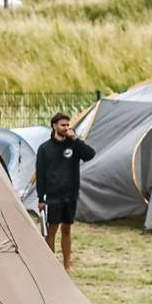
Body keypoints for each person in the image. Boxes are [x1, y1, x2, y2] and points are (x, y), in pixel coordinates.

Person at [34, 111, 97, 271]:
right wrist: (41, 198)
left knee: (67, 229)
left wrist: (76, 139)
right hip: (53, 196)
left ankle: (67, 264)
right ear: (55, 126)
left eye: (68, 125)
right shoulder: (45, 149)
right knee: (52, 229)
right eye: (63, 125)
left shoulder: (74, 145)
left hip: (71, 195)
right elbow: (40, 175)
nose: (66, 128)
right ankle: (50, 264)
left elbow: (90, 155)